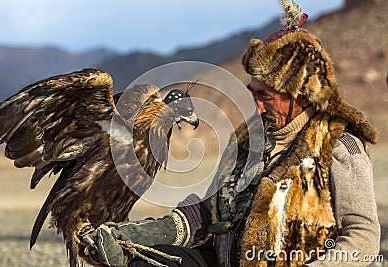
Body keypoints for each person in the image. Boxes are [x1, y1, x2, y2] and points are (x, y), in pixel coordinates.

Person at [78, 2, 380, 266]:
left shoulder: (340, 149)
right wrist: (143, 235)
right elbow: (206, 215)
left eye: (266, 97)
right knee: (141, 261)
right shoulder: (246, 144)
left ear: (300, 96)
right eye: (253, 94)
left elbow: (364, 236)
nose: (257, 107)